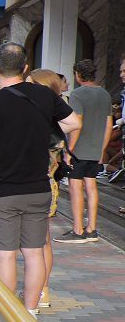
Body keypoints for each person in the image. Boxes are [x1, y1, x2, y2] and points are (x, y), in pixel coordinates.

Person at [0, 43, 79, 315]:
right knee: (34, 251)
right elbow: (73, 123)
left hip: (2, 191)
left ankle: (7, 315)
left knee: (5, 254)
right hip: (38, 188)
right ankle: (30, 311)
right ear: (26, 68)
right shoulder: (44, 96)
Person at [54, 59, 113, 243]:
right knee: (91, 187)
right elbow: (108, 124)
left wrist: (68, 150)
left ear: (78, 75)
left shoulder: (78, 94)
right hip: (95, 150)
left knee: (75, 187)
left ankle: (78, 230)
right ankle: (92, 229)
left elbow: (77, 124)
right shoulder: (104, 94)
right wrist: (101, 149)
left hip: (79, 150)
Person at [25, 68, 68, 310]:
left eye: (31, 84)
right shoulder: (48, 114)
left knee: (40, 241)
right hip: (39, 182)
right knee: (40, 240)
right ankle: (40, 288)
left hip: (42, 182)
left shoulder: (48, 117)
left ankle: (42, 289)